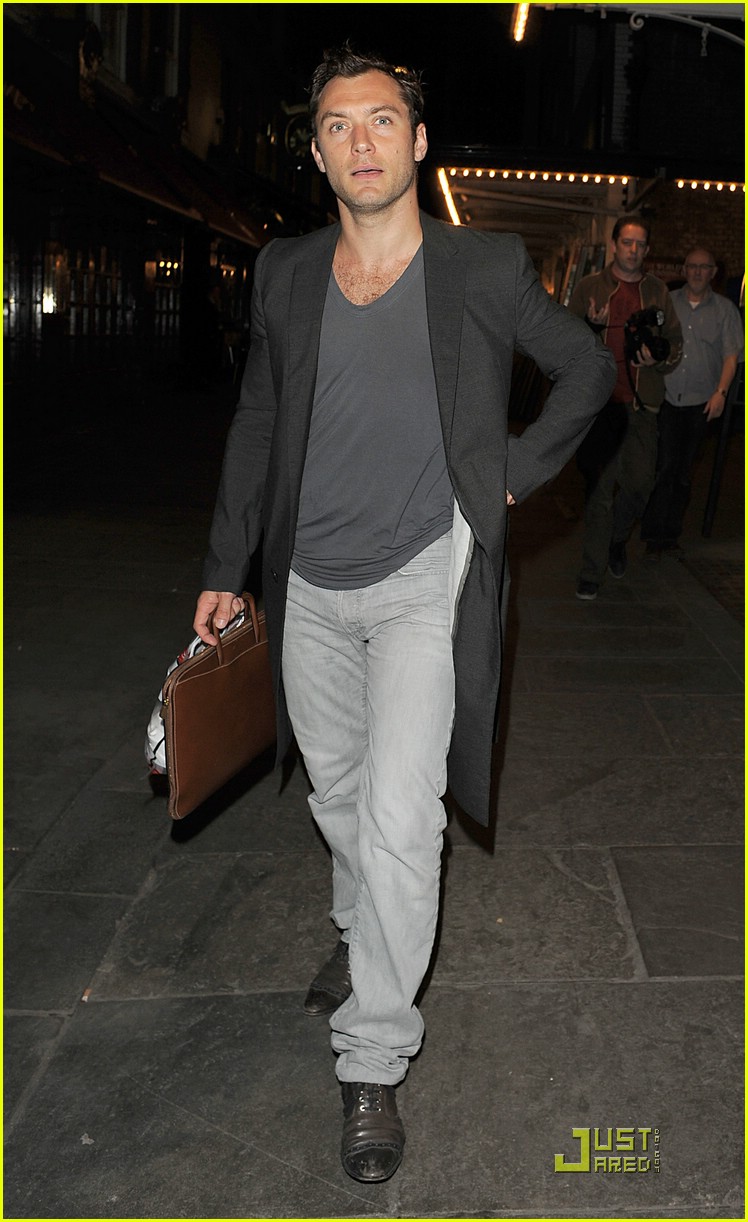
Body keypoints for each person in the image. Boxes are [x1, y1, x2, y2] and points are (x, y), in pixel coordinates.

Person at [193, 46, 615, 1184]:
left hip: (427, 579)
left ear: (418, 143)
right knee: (337, 796)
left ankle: (372, 1052)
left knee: (398, 813)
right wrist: (228, 561)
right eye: (339, 125)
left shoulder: (480, 266)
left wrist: (511, 475)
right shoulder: (284, 271)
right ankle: (362, 927)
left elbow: (585, 368)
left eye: (382, 120)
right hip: (307, 585)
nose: (362, 141)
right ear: (318, 152)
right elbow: (258, 420)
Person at [568, 217, 682, 600]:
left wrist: (657, 359)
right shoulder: (589, 287)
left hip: (641, 406)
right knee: (599, 493)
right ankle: (591, 570)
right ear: (615, 244)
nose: (634, 250)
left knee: (640, 486)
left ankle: (617, 539)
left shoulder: (657, 291)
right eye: (627, 242)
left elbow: (674, 341)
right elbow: (563, 342)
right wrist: (591, 325)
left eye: (640, 244)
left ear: (646, 250)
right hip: (600, 408)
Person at [641, 246, 743, 554]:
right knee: (664, 467)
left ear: (713, 273)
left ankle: (670, 534)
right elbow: (648, 341)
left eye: (704, 267)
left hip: (701, 402)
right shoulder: (668, 303)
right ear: (684, 270)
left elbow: (732, 356)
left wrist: (721, 393)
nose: (698, 272)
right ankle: (653, 534)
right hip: (666, 399)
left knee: (683, 473)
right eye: (693, 266)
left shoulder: (725, 310)